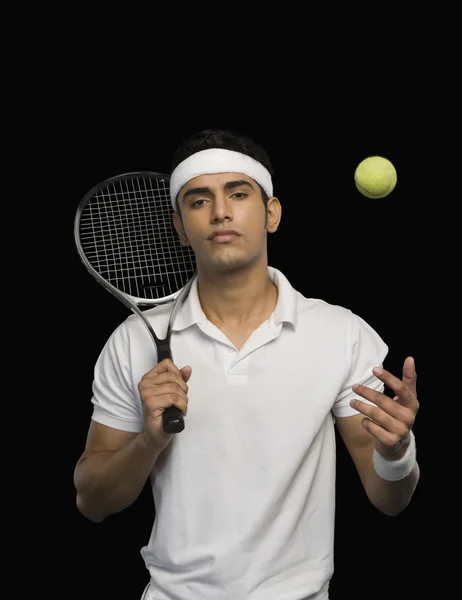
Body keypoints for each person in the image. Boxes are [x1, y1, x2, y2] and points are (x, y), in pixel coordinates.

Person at [73, 129, 420, 600]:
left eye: (238, 193)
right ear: (179, 227)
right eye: (199, 201)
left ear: (271, 214)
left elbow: (389, 500)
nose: (220, 212)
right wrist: (148, 442)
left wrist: (397, 453)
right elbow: (91, 501)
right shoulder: (132, 341)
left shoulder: (341, 333)